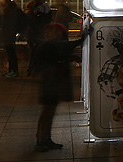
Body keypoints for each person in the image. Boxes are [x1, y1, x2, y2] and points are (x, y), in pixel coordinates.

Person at [33, 22, 88, 151]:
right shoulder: (50, 44)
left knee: (49, 112)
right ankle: (41, 139)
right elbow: (71, 45)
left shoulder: (48, 45)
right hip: (51, 83)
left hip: (50, 82)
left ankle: (44, 138)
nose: (52, 34)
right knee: (48, 112)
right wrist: (84, 35)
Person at [0, 0, 25, 77]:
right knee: (11, 52)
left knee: (10, 52)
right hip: (11, 33)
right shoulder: (15, 9)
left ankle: (13, 70)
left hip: (8, 34)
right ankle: (13, 70)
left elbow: (7, 23)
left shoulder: (9, 11)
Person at [25, 0, 51, 75]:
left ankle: (33, 69)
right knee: (40, 52)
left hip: (34, 34)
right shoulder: (46, 11)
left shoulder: (34, 13)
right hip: (41, 34)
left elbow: (32, 23)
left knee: (34, 52)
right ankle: (38, 68)